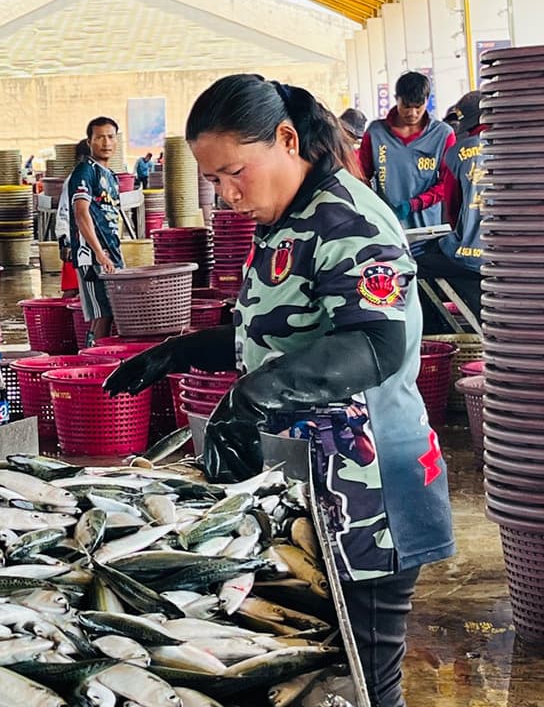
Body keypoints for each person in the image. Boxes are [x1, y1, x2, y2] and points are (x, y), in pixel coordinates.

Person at [104, 75, 454, 707]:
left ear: (287, 140)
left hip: (372, 496)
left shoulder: (346, 218)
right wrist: (180, 351)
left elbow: (375, 344)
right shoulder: (285, 221)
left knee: (368, 685)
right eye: (213, 180)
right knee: (313, 678)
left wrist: (251, 398)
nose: (227, 194)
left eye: (235, 173)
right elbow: (276, 334)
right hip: (313, 485)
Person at [414, 90, 486, 333]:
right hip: (511, 258)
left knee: (412, 265)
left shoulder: (457, 152)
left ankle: (436, 332)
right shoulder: (518, 146)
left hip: (467, 256)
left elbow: (451, 210)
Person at [360, 71, 456, 231]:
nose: (412, 113)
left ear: (427, 100)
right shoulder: (376, 133)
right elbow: (361, 176)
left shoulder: (443, 135)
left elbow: (447, 183)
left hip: (427, 229)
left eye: (418, 107)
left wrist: (415, 204)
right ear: (396, 99)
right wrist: (374, 206)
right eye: (406, 106)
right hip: (387, 228)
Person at [67, 117, 124, 343]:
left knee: (113, 311)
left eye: (110, 137)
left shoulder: (112, 177)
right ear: (89, 141)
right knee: (103, 313)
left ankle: (99, 352)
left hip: (112, 253)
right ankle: (94, 356)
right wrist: (99, 252)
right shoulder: (85, 171)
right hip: (91, 256)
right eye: (99, 137)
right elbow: (81, 213)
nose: (106, 142)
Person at [54, 139, 90, 301]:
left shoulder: (103, 178)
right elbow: (64, 211)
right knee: (72, 289)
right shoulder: (74, 180)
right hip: (76, 240)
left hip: (96, 243)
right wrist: (64, 241)